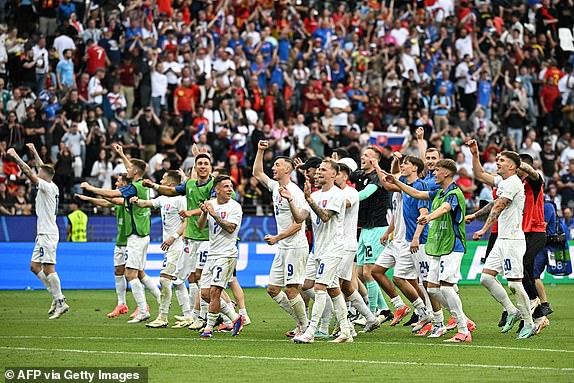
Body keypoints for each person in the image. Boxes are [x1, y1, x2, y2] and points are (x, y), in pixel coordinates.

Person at [386, 159, 473, 343]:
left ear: (447, 173)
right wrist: (397, 182)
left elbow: (445, 209)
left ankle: (463, 330)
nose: (434, 173)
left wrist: (428, 217)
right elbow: (416, 193)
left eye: (437, 170)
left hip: (452, 246)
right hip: (437, 246)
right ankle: (461, 320)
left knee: (447, 287)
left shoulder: (454, 193)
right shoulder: (438, 192)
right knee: (432, 288)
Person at [81, 144, 160, 323]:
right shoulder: (144, 185)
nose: (127, 169)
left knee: (132, 274)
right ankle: (157, 302)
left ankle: (143, 310)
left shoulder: (132, 187)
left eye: (129, 169)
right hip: (143, 234)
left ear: (135, 172)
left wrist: (91, 188)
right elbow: (132, 170)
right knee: (136, 272)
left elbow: (113, 193)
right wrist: (122, 154)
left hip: (135, 236)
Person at [280, 159, 354, 343]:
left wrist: (309, 200)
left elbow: (325, 217)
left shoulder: (337, 195)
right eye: (319, 170)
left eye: (323, 170)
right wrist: (291, 200)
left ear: (333, 174)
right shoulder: (315, 194)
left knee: (320, 288)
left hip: (333, 249)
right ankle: (346, 330)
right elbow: (300, 218)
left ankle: (311, 332)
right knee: (331, 289)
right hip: (318, 250)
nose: (319, 173)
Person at [473, 150, 537, 339]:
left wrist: (484, 229)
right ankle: (511, 310)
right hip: (502, 240)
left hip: (512, 241)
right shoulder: (503, 182)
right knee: (486, 278)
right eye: (497, 159)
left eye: (502, 160)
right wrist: (475, 154)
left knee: (515, 285)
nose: (497, 162)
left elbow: (499, 206)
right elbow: (480, 176)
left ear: (512, 166)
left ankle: (529, 323)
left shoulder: (514, 183)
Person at [253, 140, 309, 337]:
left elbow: (299, 223)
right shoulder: (276, 187)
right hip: (283, 247)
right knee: (273, 289)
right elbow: (257, 174)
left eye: (277, 165)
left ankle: (304, 326)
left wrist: (277, 237)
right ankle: (302, 322)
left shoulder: (295, 192)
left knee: (292, 290)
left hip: (295, 246)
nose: (273, 168)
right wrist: (260, 151)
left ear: (288, 169)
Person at [371, 153, 432, 330]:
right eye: (402, 164)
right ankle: (402, 306)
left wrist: (377, 166)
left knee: (418, 281)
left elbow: (423, 212)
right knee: (377, 271)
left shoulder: (418, 186)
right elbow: (391, 183)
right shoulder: (404, 184)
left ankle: (430, 314)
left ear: (415, 168)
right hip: (397, 239)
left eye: (406, 163)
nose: (402, 166)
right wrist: (389, 231)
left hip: (412, 240)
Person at [7, 144, 68, 319]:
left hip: (48, 233)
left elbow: (29, 173)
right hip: (43, 233)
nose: (37, 173)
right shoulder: (52, 185)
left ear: (44, 177)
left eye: (40, 173)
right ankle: (55, 297)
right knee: (34, 267)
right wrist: (34, 152)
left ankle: (61, 302)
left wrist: (16, 156)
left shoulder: (47, 187)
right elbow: (41, 169)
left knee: (49, 269)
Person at [130, 170, 187, 328]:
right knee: (179, 282)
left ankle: (162, 317)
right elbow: (146, 203)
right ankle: (189, 315)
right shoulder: (163, 199)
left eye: (162, 179)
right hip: (170, 247)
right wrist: (135, 200)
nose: (160, 181)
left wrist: (173, 237)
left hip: (178, 245)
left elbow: (186, 222)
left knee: (165, 279)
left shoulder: (180, 200)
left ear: (169, 184)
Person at [76, 173, 132, 318]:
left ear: (125, 185)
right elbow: (106, 203)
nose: (116, 184)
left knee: (137, 275)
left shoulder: (128, 198)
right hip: (120, 241)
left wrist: (91, 189)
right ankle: (122, 304)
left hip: (131, 241)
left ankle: (144, 306)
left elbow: (113, 198)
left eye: (118, 182)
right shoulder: (117, 200)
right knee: (118, 272)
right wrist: (88, 198)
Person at [333, 162, 381, 334]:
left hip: (345, 245)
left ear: (345, 176)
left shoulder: (350, 193)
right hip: (336, 244)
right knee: (346, 285)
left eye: (336, 173)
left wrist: (317, 202)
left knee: (334, 284)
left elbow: (340, 206)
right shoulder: (334, 193)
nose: (334, 176)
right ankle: (370, 318)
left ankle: (345, 325)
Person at [197, 175, 245, 338]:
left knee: (215, 292)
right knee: (205, 294)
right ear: (217, 190)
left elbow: (231, 228)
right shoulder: (211, 204)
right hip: (212, 254)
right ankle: (235, 317)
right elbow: (200, 226)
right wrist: (205, 213)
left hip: (226, 255)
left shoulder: (235, 207)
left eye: (231, 186)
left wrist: (215, 215)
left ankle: (208, 328)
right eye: (226, 186)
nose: (230, 189)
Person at [348, 146, 392, 320]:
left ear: (376, 160)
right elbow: (342, 176)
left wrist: (345, 200)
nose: (362, 157)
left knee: (368, 272)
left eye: (367, 155)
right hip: (365, 228)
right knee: (359, 273)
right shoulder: (360, 175)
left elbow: (366, 194)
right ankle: (384, 308)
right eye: (362, 154)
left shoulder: (378, 177)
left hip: (377, 228)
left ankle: (371, 313)